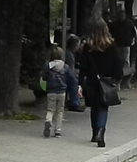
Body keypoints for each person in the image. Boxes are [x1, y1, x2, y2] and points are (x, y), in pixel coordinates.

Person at [80, 19, 123, 148]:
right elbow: (117, 64)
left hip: (92, 81)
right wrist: (116, 78)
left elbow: (83, 66)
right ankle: (101, 131)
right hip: (106, 81)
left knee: (94, 107)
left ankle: (94, 132)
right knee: (103, 107)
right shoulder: (111, 46)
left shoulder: (88, 47)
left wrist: (81, 81)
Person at [42, 46, 72, 138]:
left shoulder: (48, 65)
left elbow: (44, 77)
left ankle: (48, 120)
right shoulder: (65, 66)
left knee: (50, 110)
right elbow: (71, 78)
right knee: (60, 111)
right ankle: (58, 131)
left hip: (51, 91)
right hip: (62, 91)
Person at [65, 35, 84, 112]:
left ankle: (75, 101)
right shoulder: (70, 55)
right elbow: (70, 70)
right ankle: (74, 103)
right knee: (74, 82)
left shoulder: (69, 53)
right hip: (65, 74)